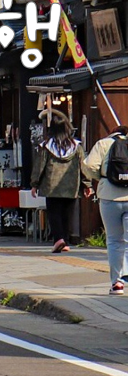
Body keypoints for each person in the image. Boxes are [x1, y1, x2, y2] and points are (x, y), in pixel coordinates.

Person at [31, 110, 90, 254]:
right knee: (67, 214)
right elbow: (83, 167)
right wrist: (87, 184)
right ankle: (66, 241)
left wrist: (34, 184)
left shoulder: (47, 146)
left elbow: (40, 166)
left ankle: (58, 239)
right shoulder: (76, 147)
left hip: (51, 186)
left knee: (54, 213)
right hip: (71, 185)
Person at [83, 125, 128, 293]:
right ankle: (127, 272)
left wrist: (103, 177)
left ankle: (117, 283)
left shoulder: (103, 144)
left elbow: (88, 166)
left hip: (109, 196)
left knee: (114, 240)